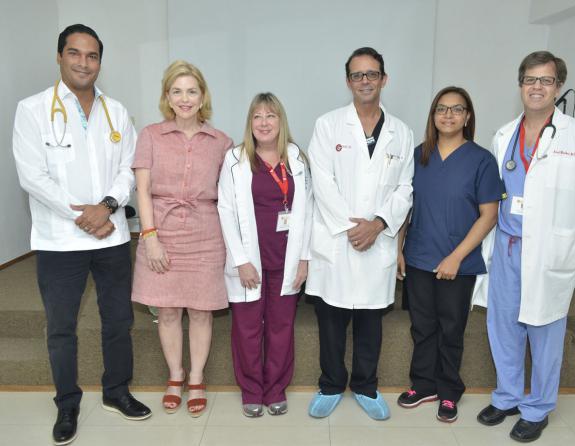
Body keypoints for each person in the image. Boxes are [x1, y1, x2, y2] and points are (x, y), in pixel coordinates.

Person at [12, 24, 151, 445]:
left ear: (99, 62)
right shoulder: (33, 109)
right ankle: (67, 402)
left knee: (119, 320)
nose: (83, 63)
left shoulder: (117, 111)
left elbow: (128, 168)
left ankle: (116, 392)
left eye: (91, 56)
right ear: (60, 57)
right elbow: (32, 176)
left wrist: (106, 207)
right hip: (59, 240)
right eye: (75, 54)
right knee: (61, 327)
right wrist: (83, 215)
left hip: (110, 237)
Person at [473, 51, 575, 442]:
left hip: (550, 251)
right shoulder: (504, 134)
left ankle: (538, 408)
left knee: (545, 331)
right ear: (520, 85)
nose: (537, 87)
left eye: (546, 81)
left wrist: (565, 239)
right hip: (505, 244)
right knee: (503, 326)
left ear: (557, 87)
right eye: (530, 80)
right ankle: (507, 397)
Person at [305, 47, 414, 421]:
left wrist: (379, 224)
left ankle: (366, 386)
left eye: (372, 74)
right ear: (348, 81)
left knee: (371, 320)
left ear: (384, 79)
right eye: (357, 75)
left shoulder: (402, 132)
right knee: (331, 319)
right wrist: (353, 228)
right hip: (338, 239)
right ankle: (331, 383)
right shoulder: (327, 125)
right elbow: (321, 181)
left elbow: (405, 188)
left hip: (377, 240)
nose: (365, 80)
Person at [395, 87, 503, 423]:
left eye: (457, 109)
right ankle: (423, 385)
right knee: (423, 326)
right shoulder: (417, 156)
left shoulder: (482, 160)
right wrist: (399, 248)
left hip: (460, 260)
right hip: (419, 255)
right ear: (433, 115)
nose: (448, 115)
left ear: (468, 116)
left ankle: (449, 391)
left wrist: (456, 257)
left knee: (451, 328)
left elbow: (490, 214)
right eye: (441, 109)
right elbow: (403, 207)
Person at [131, 60, 232, 418]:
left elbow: (231, 197)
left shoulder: (222, 142)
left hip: (206, 233)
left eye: (192, 91)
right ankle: (175, 376)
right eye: (177, 91)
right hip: (162, 230)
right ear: (167, 97)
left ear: (203, 95)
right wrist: (150, 237)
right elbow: (142, 191)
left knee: (202, 312)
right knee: (169, 310)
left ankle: (198, 377)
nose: (185, 98)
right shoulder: (150, 135)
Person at [218, 92, 313, 417]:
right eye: (257, 117)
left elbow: (309, 209)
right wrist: (241, 260)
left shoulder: (297, 158)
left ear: (281, 121)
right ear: (250, 123)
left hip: (287, 259)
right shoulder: (235, 159)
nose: (264, 122)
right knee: (247, 328)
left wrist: (304, 259)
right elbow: (226, 210)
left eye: (270, 116)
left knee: (281, 327)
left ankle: (275, 388)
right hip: (250, 262)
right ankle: (251, 390)